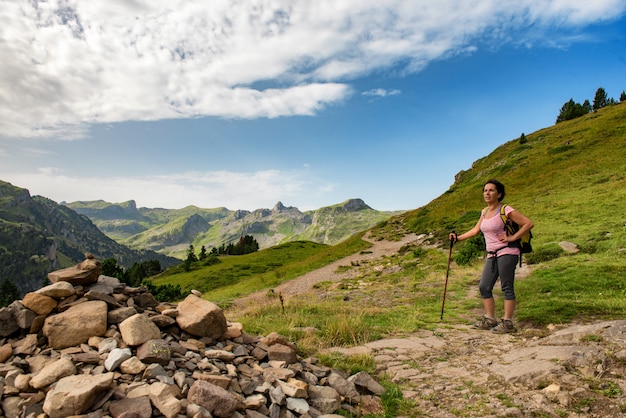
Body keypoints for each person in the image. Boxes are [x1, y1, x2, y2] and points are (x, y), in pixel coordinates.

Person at [449, 179, 534, 333]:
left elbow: (528, 223)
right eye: (485, 190)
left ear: (499, 194)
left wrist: (513, 238)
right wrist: (457, 238)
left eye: (491, 190)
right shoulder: (484, 212)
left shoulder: (506, 210)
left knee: (506, 286)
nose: (487, 193)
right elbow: (475, 230)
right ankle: (490, 319)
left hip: (507, 251)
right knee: (484, 286)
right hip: (492, 254)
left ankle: (508, 323)